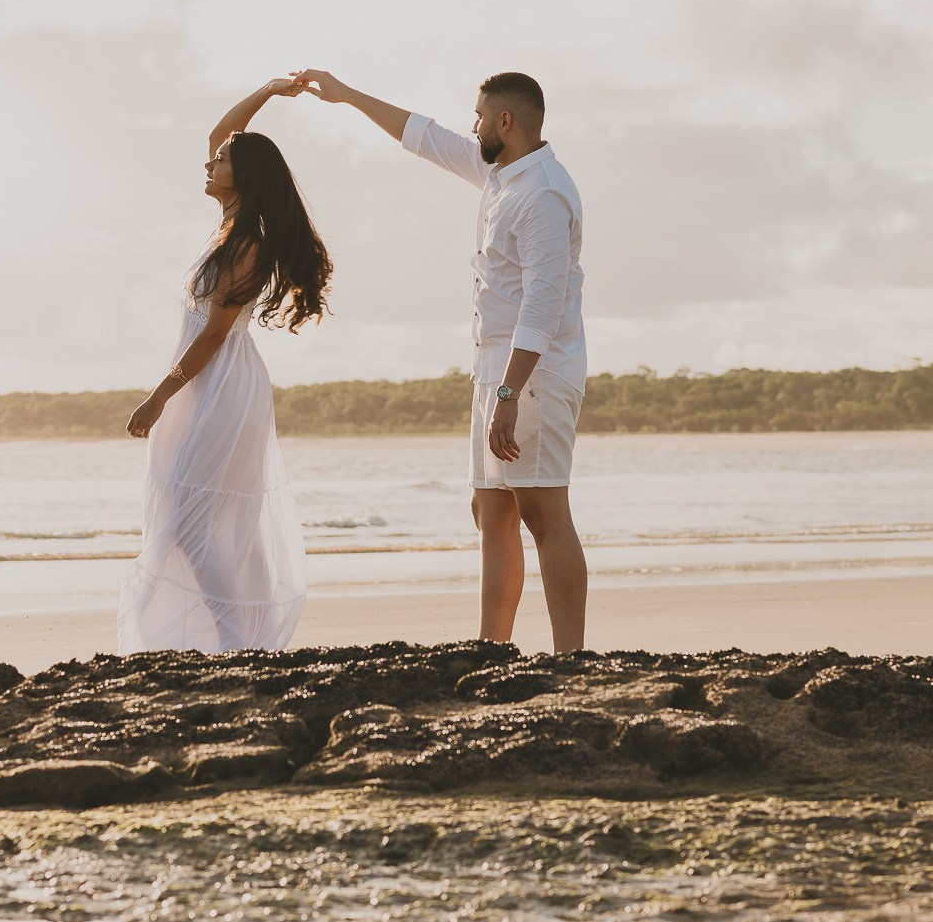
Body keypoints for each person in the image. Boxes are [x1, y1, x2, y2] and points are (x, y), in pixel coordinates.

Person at [292, 68, 589, 652]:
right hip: (494, 370)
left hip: (532, 375)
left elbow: (543, 306)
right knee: (490, 510)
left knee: (544, 513)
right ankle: (492, 648)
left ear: (505, 122)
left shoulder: (544, 193)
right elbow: (424, 137)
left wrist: (508, 394)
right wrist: (347, 95)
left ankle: (569, 658)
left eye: (479, 116)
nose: (471, 125)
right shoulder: (500, 173)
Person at [119, 78, 333, 654]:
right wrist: (267, 89)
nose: (209, 164)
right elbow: (221, 133)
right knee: (208, 515)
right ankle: (253, 641)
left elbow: (215, 333)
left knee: (195, 518)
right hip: (203, 380)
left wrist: (160, 393)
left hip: (219, 383)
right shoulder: (228, 225)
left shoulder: (244, 242)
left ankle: (240, 638)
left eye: (220, 162)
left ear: (244, 176)